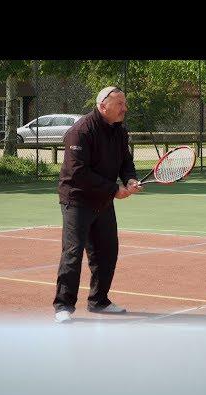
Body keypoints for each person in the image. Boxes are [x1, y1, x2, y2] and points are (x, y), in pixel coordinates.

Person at [53, 86, 142, 323]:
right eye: (120, 103)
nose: (125, 108)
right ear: (103, 106)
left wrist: (130, 178)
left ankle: (99, 301)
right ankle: (63, 306)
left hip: (101, 200)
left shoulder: (119, 130)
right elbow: (78, 172)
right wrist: (114, 189)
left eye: (125, 103)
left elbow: (125, 160)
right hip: (77, 199)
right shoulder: (80, 132)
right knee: (73, 253)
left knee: (107, 251)